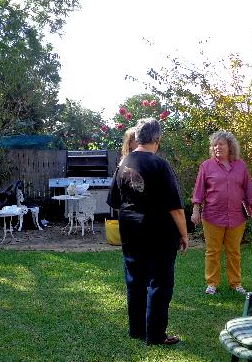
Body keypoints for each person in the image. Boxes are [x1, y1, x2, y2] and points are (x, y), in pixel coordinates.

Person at [107, 118, 188, 346]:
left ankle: (136, 330)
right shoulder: (160, 165)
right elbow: (176, 208)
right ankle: (155, 335)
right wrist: (184, 234)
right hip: (159, 234)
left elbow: (114, 201)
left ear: (138, 137)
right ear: (156, 139)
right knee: (160, 283)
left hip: (131, 231)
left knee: (135, 280)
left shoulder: (123, 163)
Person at [191, 130, 252, 295]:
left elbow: (248, 187)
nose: (217, 147)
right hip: (212, 215)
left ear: (230, 146)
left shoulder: (241, 165)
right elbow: (199, 190)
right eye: (214, 145)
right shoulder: (206, 166)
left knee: (234, 251)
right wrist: (195, 210)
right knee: (213, 251)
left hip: (237, 216)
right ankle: (212, 283)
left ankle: (235, 283)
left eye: (220, 144)